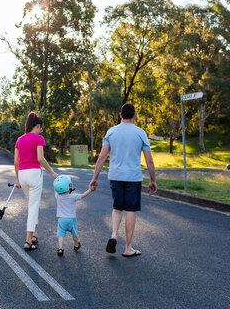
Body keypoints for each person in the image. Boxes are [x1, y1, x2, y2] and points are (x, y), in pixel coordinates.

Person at [89, 103, 157, 257]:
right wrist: (153, 181)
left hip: (115, 176)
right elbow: (149, 161)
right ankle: (128, 248)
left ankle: (114, 234)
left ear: (120, 115)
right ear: (134, 116)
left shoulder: (111, 132)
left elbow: (101, 157)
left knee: (117, 207)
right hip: (133, 177)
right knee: (131, 210)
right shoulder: (140, 133)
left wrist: (95, 178)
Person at [15, 112, 58, 250]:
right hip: (34, 174)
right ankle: (28, 241)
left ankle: (34, 233)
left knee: (32, 203)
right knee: (33, 206)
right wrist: (52, 172)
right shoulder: (39, 138)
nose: (41, 131)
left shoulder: (19, 139)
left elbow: (16, 162)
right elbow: (40, 158)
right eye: (41, 128)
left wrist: (17, 180)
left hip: (22, 174)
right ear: (38, 126)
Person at [53, 175, 93, 256]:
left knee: (61, 235)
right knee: (74, 234)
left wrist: (55, 180)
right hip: (71, 220)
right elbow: (83, 195)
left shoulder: (58, 196)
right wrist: (90, 189)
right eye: (69, 185)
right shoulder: (73, 196)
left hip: (61, 220)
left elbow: (55, 190)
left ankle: (60, 248)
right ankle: (76, 245)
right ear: (68, 187)